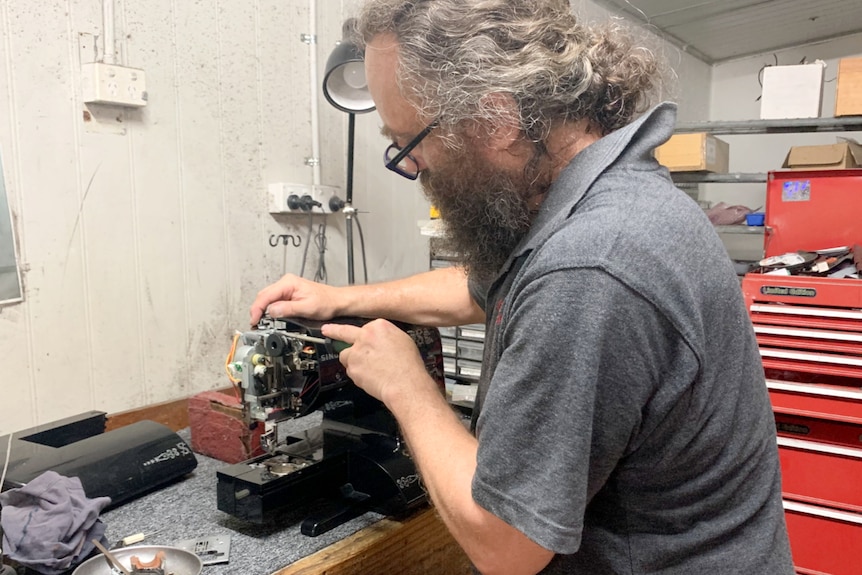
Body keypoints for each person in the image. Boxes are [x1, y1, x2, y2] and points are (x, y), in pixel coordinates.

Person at [250, 1, 794, 573]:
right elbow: (482, 288)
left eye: (409, 143)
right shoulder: (606, 198)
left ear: (496, 121)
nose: (413, 170)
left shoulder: (589, 266)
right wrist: (341, 298)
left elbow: (506, 545)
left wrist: (407, 386)